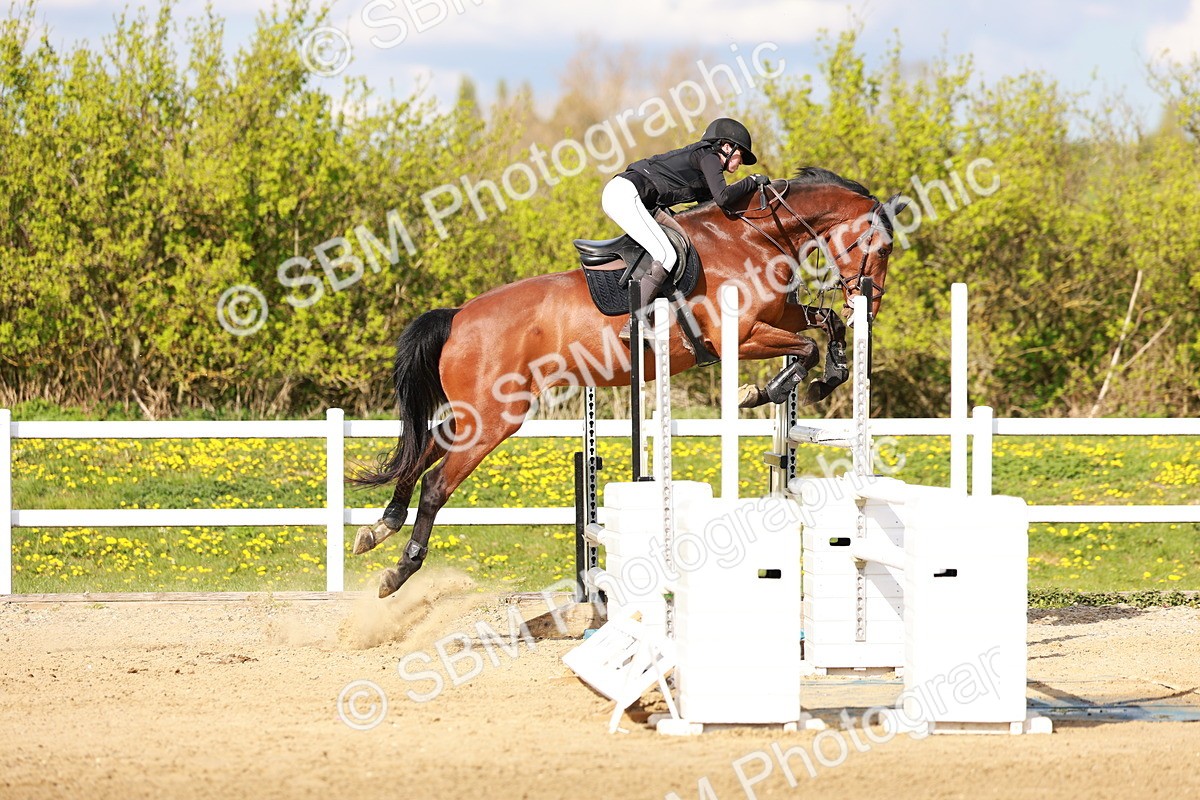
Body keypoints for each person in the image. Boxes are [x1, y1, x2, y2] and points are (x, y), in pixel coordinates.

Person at [602, 117, 770, 341]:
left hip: (635, 198)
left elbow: (714, 210)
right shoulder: (709, 157)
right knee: (666, 254)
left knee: (680, 239)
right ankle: (635, 322)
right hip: (625, 194)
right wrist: (752, 181)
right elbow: (723, 197)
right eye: (741, 155)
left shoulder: (706, 169)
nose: (741, 163)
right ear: (726, 147)